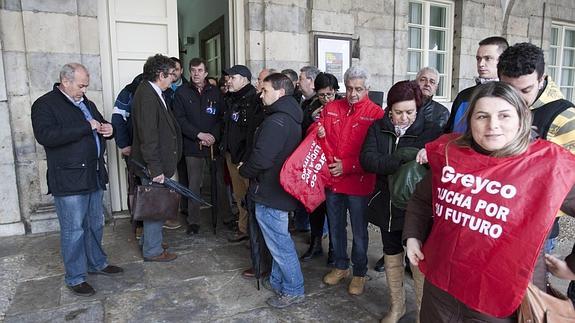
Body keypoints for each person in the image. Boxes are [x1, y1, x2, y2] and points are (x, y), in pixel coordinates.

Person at [404, 82, 575, 322]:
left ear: (521, 118)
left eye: (504, 115)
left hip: (501, 298)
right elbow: (422, 199)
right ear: (470, 121)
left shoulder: (547, 165)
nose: (492, 125)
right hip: (443, 287)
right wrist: (413, 235)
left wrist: (571, 266)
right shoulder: (451, 154)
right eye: (482, 116)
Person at [31, 63, 123, 296]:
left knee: (95, 224)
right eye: (81, 85)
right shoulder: (44, 105)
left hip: (92, 174)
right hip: (69, 178)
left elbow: (100, 124)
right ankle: (75, 276)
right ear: (66, 81)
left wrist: (108, 130)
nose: (84, 89)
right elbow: (46, 136)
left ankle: (97, 263)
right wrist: (85, 126)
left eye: (86, 85)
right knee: (73, 230)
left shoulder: (87, 103)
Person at [360, 80, 441, 322]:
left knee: (417, 258)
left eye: (410, 112)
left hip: (417, 207)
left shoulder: (431, 130)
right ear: (389, 109)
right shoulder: (377, 127)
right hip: (386, 202)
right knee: (391, 251)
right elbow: (368, 160)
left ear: (417, 108)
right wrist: (402, 158)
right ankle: (397, 307)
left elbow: (437, 165)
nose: (404, 118)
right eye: (398, 112)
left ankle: (421, 312)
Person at [498, 42, 575, 256]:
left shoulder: (566, 117)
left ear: (541, 80)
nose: (516, 99)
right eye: (508, 90)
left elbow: (568, 188)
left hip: (536, 233)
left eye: (525, 90)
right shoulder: (495, 104)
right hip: (497, 222)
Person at [315, 66, 384, 296]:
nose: (353, 94)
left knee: (359, 231)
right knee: (335, 226)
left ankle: (360, 272)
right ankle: (341, 266)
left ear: (368, 89)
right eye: (350, 88)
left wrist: (348, 165)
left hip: (359, 182)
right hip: (333, 180)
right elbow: (318, 137)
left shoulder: (376, 114)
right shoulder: (332, 107)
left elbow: (375, 153)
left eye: (359, 89)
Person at [239, 73, 304, 308]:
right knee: (277, 242)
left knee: (280, 245)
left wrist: (244, 170)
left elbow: (262, 158)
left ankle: (294, 289)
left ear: (280, 92)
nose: (261, 93)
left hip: (271, 191)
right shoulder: (288, 116)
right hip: (277, 190)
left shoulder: (277, 120)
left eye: (265, 90)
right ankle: (279, 282)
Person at [131, 54, 182, 262]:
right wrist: (156, 169)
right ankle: (152, 250)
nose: (174, 79)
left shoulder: (152, 91)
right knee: (155, 206)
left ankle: (150, 241)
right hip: (153, 165)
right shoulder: (147, 95)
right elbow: (149, 136)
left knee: (155, 205)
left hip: (157, 163)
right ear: (160, 74)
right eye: (171, 75)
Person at [173, 57, 229, 235]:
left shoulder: (215, 92)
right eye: (193, 70)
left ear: (205, 73)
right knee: (194, 184)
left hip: (213, 145)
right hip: (192, 146)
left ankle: (226, 217)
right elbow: (179, 120)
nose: (196, 74)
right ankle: (194, 222)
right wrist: (198, 135)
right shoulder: (182, 92)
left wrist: (213, 135)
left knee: (219, 182)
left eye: (199, 70)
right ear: (189, 72)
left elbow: (222, 117)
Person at [299, 72, 341, 264]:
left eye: (330, 94)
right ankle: (316, 245)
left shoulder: (342, 106)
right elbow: (301, 131)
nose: (326, 99)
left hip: (334, 165)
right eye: (322, 95)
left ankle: (335, 248)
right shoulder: (310, 106)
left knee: (334, 210)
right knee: (315, 206)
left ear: (336, 92)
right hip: (315, 164)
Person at [221, 65, 265, 247]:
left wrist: (245, 158)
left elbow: (251, 133)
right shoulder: (232, 98)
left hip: (244, 159)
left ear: (245, 79)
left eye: (232, 77)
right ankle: (244, 229)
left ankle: (254, 234)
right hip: (232, 155)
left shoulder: (254, 100)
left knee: (249, 197)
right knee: (239, 195)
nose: (228, 81)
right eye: (228, 78)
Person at [445, 36, 509, 133]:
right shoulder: (464, 96)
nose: (481, 64)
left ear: (503, 61)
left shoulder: (512, 96)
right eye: (478, 59)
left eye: (488, 58)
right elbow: (449, 133)